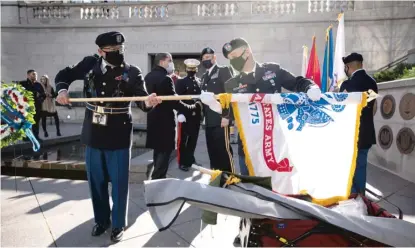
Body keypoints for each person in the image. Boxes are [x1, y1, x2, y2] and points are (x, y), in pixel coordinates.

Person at [54, 31, 160, 243]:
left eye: (120, 50)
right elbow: (63, 75)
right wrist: (62, 91)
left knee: (120, 183)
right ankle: (101, 220)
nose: (117, 54)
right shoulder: (89, 64)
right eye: (111, 51)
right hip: (93, 132)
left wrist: (148, 102)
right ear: (100, 51)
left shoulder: (133, 72)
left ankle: (118, 224)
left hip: (119, 134)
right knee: (97, 182)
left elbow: (141, 99)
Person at [221, 38, 321, 246]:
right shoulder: (231, 84)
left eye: (235, 56)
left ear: (247, 52)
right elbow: (227, 114)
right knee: (251, 188)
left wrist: (310, 87)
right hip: (248, 147)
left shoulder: (272, 71)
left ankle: (280, 227)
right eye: (229, 59)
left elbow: (297, 82)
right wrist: (215, 105)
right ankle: (248, 230)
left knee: (279, 185)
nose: (232, 61)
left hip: (276, 142)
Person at [145, 53, 202, 179]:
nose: (172, 63)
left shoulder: (148, 76)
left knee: (157, 152)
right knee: (164, 154)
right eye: (170, 60)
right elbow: (175, 102)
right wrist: (192, 107)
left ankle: (154, 177)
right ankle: (157, 181)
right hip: (164, 122)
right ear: (162, 62)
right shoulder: (166, 78)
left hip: (153, 120)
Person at [340, 52, 378, 195]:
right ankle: (361, 195)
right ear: (361, 64)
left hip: (351, 132)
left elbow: (340, 109)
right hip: (367, 131)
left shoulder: (347, 84)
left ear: (348, 67)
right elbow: (373, 107)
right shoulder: (372, 82)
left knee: (349, 165)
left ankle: (351, 194)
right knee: (361, 164)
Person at [200, 47, 235, 173]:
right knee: (212, 151)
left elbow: (229, 94)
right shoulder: (204, 77)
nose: (206, 60)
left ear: (214, 58)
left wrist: (227, 116)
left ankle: (229, 177)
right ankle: (216, 176)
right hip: (209, 120)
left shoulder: (223, 71)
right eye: (204, 58)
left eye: (208, 58)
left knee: (223, 151)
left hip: (221, 119)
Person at [175, 59, 203, 171]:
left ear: (196, 69)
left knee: (193, 139)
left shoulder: (199, 81)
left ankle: (190, 159)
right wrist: (180, 113)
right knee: (183, 140)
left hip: (196, 115)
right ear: (186, 69)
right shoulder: (181, 82)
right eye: (190, 69)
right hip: (185, 115)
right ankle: (182, 162)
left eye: (194, 69)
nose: (192, 71)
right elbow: (178, 99)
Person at [20, 69, 45, 141]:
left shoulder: (38, 85)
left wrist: (40, 99)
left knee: (36, 122)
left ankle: (36, 137)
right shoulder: (22, 84)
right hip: (26, 107)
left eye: (36, 74)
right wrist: (34, 93)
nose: (35, 76)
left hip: (37, 106)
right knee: (25, 121)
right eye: (33, 74)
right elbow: (21, 93)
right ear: (28, 75)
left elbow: (43, 95)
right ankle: (25, 137)